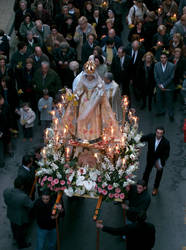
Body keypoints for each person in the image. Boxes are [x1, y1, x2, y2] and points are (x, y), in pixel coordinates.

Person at [62, 60, 121, 142]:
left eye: (91, 76)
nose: (89, 77)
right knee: (83, 119)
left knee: (93, 119)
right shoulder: (82, 81)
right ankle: (82, 135)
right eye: (87, 76)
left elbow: (102, 94)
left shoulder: (99, 82)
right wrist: (76, 96)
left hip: (94, 105)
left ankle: (94, 136)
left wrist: (100, 93)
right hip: (84, 103)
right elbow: (78, 90)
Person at [3, 176, 33, 249]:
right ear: (22, 186)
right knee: (20, 232)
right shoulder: (23, 197)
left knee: (13, 227)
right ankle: (22, 244)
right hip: (20, 217)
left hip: (10, 213)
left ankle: (15, 238)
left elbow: (6, 201)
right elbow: (31, 205)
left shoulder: (6, 191)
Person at [141, 127, 170, 196]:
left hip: (159, 160)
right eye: (157, 133)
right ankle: (144, 185)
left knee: (158, 175)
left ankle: (155, 188)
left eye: (161, 133)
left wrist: (159, 161)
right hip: (150, 158)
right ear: (155, 132)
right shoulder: (151, 136)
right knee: (146, 172)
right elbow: (142, 138)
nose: (159, 135)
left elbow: (166, 154)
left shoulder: (166, 142)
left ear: (163, 134)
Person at [154, 51, 175, 121]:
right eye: (161, 58)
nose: (163, 59)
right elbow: (156, 76)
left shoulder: (172, 66)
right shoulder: (156, 65)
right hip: (159, 86)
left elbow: (171, 77)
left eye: (164, 58)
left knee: (169, 102)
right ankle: (161, 112)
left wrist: (163, 85)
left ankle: (171, 114)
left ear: (167, 58)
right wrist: (160, 85)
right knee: (159, 100)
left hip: (168, 87)